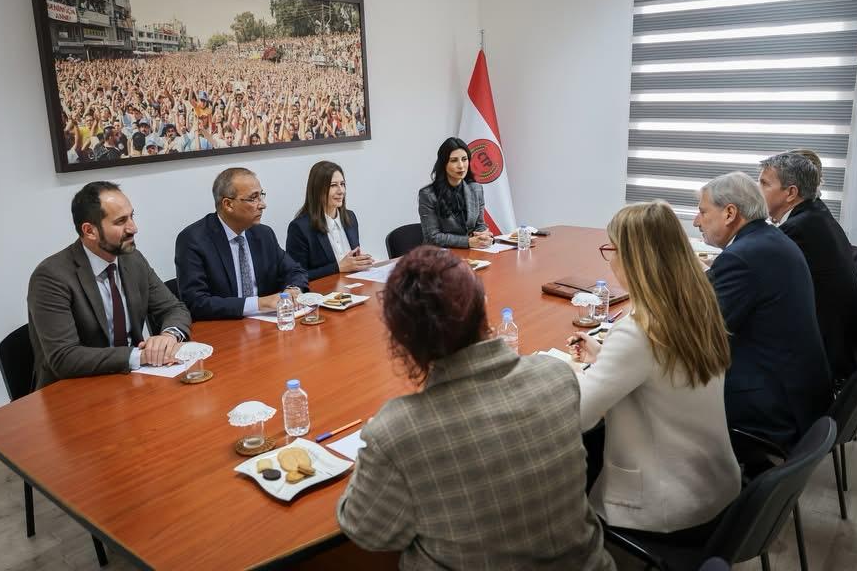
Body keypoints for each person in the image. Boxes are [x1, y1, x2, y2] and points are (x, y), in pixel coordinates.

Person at [337, 246, 614, 571]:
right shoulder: (556, 376)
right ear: (483, 307)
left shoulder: (397, 431)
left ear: (401, 338)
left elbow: (368, 532)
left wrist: (374, 450)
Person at [567, 201, 740, 539]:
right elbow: (659, 371)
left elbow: (579, 416)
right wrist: (605, 356)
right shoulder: (696, 305)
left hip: (666, 506)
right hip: (713, 486)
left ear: (633, 259)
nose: (610, 260)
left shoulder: (638, 330)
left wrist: (566, 375)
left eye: (611, 250)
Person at [694, 172, 832, 447]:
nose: (697, 221)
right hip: (798, 390)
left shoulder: (742, 257)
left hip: (772, 404)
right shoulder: (768, 239)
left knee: (661, 394)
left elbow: (701, 330)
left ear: (730, 213)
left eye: (703, 211)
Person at [27, 181, 191, 389]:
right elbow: (64, 357)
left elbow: (174, 308)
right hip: (76, 391)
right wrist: (141, 356)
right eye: (121, 221)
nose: (133, 228)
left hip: (130, 382)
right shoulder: (51, 277)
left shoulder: (132, 259)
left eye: (132, 216)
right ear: (90, 231)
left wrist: (169, 335)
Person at [759, 153, 857, 380]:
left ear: (791, 193)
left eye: (764, 184)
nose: (756, 191)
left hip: (819, 362)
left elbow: (758, 286)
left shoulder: (798, 230)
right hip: (836, 347)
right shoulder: (814, 214)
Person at [174, 168, 308, 320]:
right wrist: (259, 304)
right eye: (253, 198)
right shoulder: (193, 240)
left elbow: (295, 270)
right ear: (228, 204)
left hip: (266, 324)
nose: (262, 205)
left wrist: (292, 290)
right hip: (224, 327)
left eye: (261, 195)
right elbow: (196, 302)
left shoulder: (263, 234)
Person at [286, 161, 374, 280]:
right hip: (324, 290)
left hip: (354, 285)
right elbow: (297, 276)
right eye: (333, 185)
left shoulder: (350, 217)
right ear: (317, 189)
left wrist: (361, 262)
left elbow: (352, 262)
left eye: (342, 184)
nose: (341, 191)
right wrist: (337, 268)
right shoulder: (299, 228)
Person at [418, 137, 494, 248]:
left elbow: (480, 225)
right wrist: (467, 242)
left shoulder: (476, 189)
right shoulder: (428, 195)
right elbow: (432, 237)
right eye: (454, 160)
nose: (461, 166)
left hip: (472, 253)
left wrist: (483, 235)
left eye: (464, 159)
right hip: (439, 254)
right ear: (444, 164)